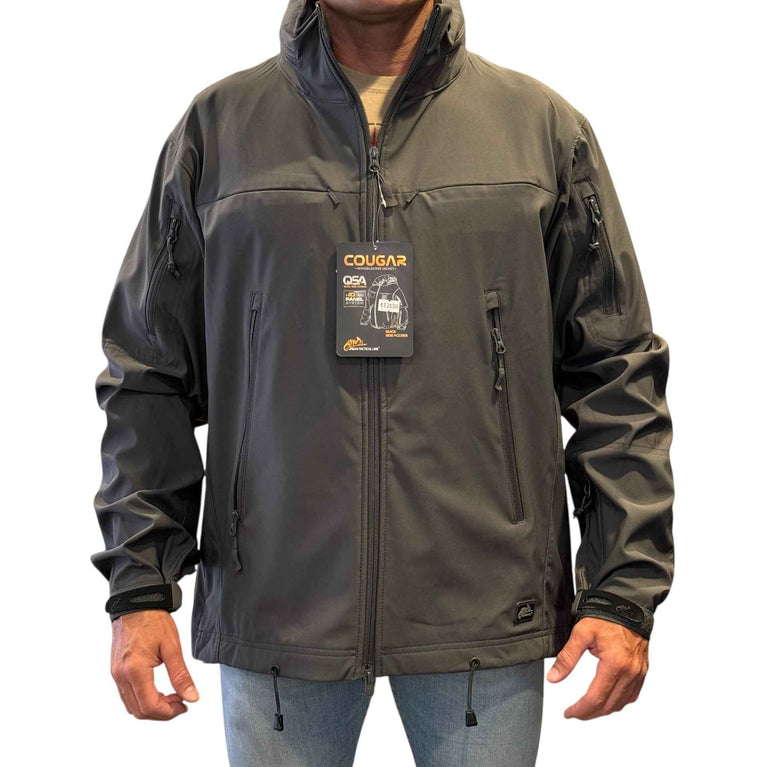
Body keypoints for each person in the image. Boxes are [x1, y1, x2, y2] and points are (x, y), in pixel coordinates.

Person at [92, 1, 675, 764]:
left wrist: (622, 587)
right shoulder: (219, 131)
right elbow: (148, 371)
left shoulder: (537, 129)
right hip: (278, 602)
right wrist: (138, 585)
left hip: (484, 599)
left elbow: (615, 368)